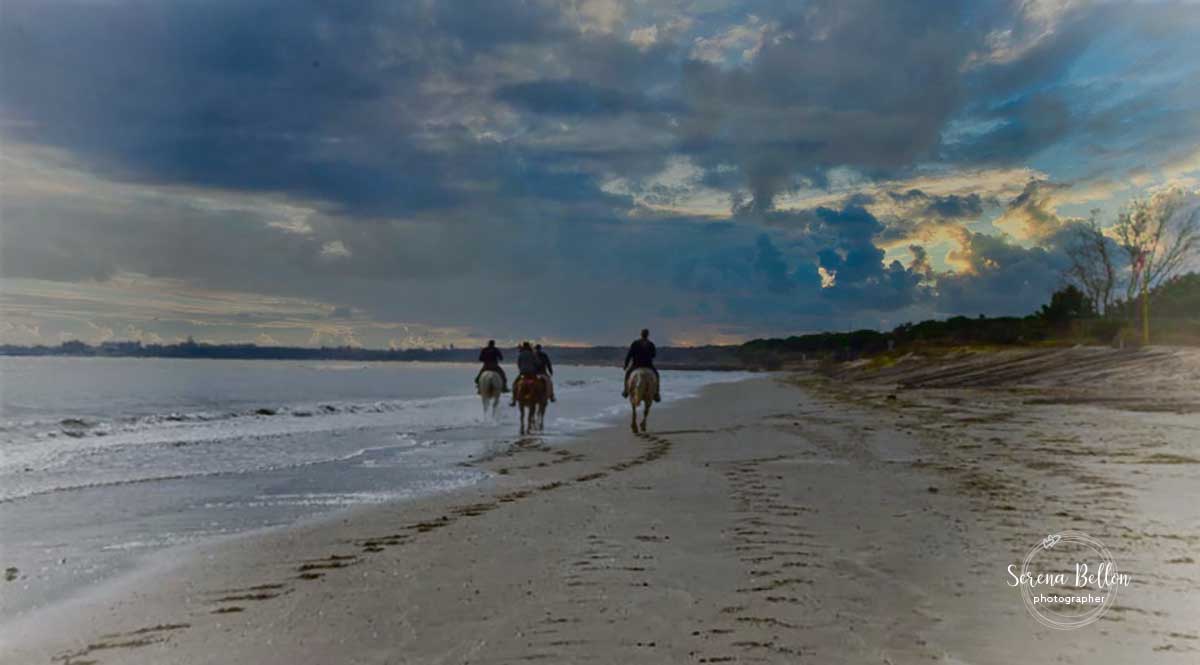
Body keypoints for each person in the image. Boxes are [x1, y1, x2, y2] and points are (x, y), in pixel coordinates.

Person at [622, 328, 660, 402]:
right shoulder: (651, 344)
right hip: (648, 365)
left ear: (641, 334)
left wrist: (626, 365)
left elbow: (629, 355)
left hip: (636, 365)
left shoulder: (635, 343)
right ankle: (656, 394)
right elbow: (654, 355)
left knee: (627, 374)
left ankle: (626, 391)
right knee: (657, 375)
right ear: (647, 335)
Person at [511, 342, 542, 406]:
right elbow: (537, 363)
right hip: (532, 373)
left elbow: (519, 363)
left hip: (523, 373)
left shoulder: (521, 354)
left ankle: (514, 400)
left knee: (515, 384)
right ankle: (540, 398)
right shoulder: (533, 354)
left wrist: (521, 369)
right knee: (539, 385)